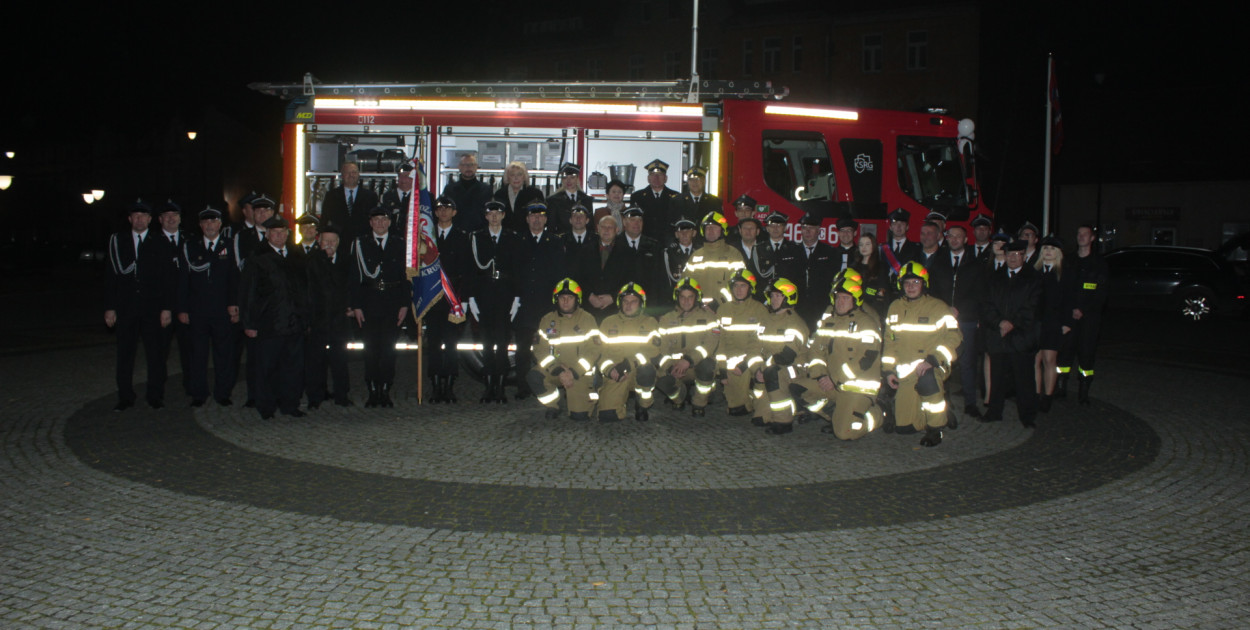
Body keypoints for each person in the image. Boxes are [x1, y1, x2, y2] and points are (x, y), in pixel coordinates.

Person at [791, 276, 883, 440]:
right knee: (795, 387)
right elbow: (815, 351)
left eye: (845, 298)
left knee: (844, 433)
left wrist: (834, 378)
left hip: (857, 388)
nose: (840, 302)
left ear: (855, 301)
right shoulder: (829, 322)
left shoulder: (866, 323)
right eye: (838, 297)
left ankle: (876, 414)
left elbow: (864, 360)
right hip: (831, 383)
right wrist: (820, 375)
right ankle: (835, 414)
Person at [238, 216, 310, 420]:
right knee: (267, 368)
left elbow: (305, 290)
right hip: (269, 324)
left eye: (283, 232)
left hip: (294, 323)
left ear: (288, 234)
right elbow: (248, 293)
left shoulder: (296, 257)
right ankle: (266, 407)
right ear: (267, 234)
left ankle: (290, 404)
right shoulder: (257, 258)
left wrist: (306, 318)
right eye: (275, 232)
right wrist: (249, 323)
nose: (279, 236)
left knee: (293, 368)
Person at [883, 261, 962, 447]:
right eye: (907, 283)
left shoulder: (938, 307)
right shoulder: (894, 307)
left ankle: (936, 429)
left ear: (924, 284)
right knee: (904, 428)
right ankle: (943, 407)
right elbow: (890, 341)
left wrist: (933, 360)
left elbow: (956, 339)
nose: (911, 287)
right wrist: (888, 371)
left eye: (915, 282)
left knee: (927, 380)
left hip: (933, 366)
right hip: (906, 371)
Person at [105, 199, 174, 411]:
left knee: (156, 354)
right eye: (135, 216)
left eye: (143, 216)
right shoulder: (118, 241)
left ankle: (155, 395)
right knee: (125, 354)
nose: (139, 219)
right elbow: (110, 276)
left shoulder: (159, 242)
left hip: (152, 308)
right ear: (129, 219)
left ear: (150, 219)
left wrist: (166, 307)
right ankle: (125, 396)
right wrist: (110, 307)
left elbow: (167, 278)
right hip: (126, 308)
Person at [177, 206, 240, 407]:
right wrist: (183, 308)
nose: (209, 225)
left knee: (224, 354)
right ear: (200, 225)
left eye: (213, 221)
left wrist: (233, 304)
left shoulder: (229, 245)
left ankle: (223, 393)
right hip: (198, 311)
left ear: (220, 224)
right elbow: (183, 280)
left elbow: (234, 278)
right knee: (198, 354)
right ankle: (199, 393)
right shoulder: (190, 246)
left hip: (222, 310)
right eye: (205, 222)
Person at [350, 206, 411, 408]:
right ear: (370, 223)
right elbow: (355, 277)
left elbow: (405, 277)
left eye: (384, 220)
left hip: (392, 302)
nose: (380, 223)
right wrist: (356, 306)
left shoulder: (399, 244)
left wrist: (404, 304)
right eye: (376, 220)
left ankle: (385, 389)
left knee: (388, 351)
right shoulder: (360, 244)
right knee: (370, 350)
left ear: (390, 222)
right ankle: (372, 390)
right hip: (369, 302)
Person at [979, 240, 1042, 428]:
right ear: (1004, 256)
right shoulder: (994, 278)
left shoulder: (1033, 278)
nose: (1013, 258)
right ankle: (994, 411)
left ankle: (1027, 416)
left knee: (1024, 379)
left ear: (1024, 255)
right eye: (1010, 254)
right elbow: (986, 304)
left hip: (1021, 336)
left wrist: (1013, 323)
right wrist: (1000, 322)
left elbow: (1033, 306)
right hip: (998, 335)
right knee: (997, 377)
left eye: (1018, 254)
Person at [926, 225, 986, 418]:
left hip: (966, 319)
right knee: (942, 359)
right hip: (941, 319)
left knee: (967, 362)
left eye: (958, 236)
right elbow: (932, 290)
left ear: (966, 240)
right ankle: (943, 398)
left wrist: (960, 309)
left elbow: (978, 293)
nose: (954, 239)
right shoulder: (938, 262)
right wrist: (944, 308)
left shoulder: (975, 264)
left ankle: (970, 403)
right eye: (951, 236)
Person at [467, 200, 521, 403]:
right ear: (486, 216)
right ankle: (488, 386)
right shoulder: (476, 238)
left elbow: (517, 269)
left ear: (504, 216)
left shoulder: (512, 238)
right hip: (484, 294)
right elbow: (471, 270)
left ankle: (500, 387)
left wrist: (517, 297)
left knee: (502, 341)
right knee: (487, 343)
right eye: (491, 214)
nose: (495, 217)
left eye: (498, 213)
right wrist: (471, 297)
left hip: (505, 294)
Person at [511, 202, 567, 400]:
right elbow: (513, 273)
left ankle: (550, 382)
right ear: (527, 219)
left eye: (541, 216)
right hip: (524, 304)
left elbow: (560, 273)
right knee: (523, 349)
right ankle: (523, 387)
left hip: (546, 305)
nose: (536, 219)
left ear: (545, 219)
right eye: (533, 216)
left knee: (551, 348)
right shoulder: (517, 240)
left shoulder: (555, 241)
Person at [527, 278, 601, 421]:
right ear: (556, 299)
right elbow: (539, 349)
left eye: (570, 297)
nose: (565, 301)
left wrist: (573, 372)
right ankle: (553, 405)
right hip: (555, 369)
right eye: (562, 297)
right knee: (534, 376)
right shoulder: (547, 320)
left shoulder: (587, 319)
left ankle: (591, 390)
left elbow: (594, 351)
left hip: (579, 373)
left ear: (577, 299)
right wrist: (557, 369)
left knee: (579, 416)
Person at [1056, 224, 1109, 405]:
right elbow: (1062, 289)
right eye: (1079, 234)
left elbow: (1101, 293)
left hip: (1090, 318)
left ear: (1092, 238)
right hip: (1069, 316)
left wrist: (1083, 310)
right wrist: (1070, 310)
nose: (1081, 237)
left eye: (1085, 234)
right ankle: (1061, 386)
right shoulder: (1068, 261)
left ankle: (1083, 391)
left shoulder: (1099, 264)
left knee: (1086, 355)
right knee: (1064, 353)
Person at [426, 196, 470, 403]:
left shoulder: (463, 237)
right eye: (440, 208)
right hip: (433, 298)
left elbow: (468, 270)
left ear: (455, 212)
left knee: (452, 344)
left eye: (448, 208)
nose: (443, 212)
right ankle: (436, 386)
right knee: (433, 344)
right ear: (435, 213)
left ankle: (449, 386)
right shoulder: (427, 238)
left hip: (454, 298)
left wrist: (465, 301)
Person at [750, 278, 809, 435]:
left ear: (788, 298)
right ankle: (767, 412)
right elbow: (754, 348)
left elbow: (786, 357)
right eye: (772, 295)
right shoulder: (766, 320)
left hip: (793, 369)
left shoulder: (795, 323)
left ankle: (784, 421)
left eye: (778, 296)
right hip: (769, 367)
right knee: (760, 419)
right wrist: (756, 369)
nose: (773, 299)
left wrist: (763, 368)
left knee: (773, 373)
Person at [304, 222, 354, 408]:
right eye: (326, 241)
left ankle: (341, 395)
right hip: (317, 319)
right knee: (315, 361)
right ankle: (315, 397)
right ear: (319, 241)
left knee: (340, 360)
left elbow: (351, 286)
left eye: (333, 241)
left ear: (338, 242)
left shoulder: (346, 260)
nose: (329, 244)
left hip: (339, 320)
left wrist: (350, 306)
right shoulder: (310, 261)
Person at [596, 283, 661, 422]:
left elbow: (653, 353)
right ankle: (619, 399)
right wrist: (609, 369)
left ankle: (643, 404)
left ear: (641, 303)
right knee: (608, 416)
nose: (628, 305)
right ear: (620, 303)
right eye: (625, 301)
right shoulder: (608, 322)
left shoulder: (650, 322)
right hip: (617, 374)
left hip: (639, 371)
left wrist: (629, 364)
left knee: (648, 371)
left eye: (633, 302)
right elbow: (600, 354)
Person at [655, 278, 719, 415]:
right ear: (676, 298)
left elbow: (710, 345)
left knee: (708, 365)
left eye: (690, 297)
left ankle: (699, 403)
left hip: (698, 365)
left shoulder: (709, 318)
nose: (686, 301)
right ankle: (678, 399)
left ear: (697, 298)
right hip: (675, 368)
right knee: (660, 378)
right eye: (682, 297)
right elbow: (661, 350)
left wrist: (689, 360)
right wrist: (670, 367)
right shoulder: (666, 319)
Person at [715, 269, 770, 417]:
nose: (738, 290)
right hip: (732, 361)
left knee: (760, 374)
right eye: (736, 286)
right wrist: (722, 370)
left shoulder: (760, 310)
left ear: (750, 288)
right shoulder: (723, 309)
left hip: (754, 357)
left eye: (743, 286)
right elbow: (719, 343)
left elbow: (763, 342)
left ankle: (757, 397)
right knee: (736, 410)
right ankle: (746, 398)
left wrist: (745, 364)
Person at [154, 200, 193, 396]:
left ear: (180, 218)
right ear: (160, 219)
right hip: (163, 308)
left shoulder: (190, 240)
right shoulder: (152, 242)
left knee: (189, 351)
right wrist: (164, 307)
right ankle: (157, 392)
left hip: (185, 305)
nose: (171, 219)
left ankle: (191, 388)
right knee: (159, 352)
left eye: (174, 215)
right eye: (166, 216)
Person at [1033, 235, 1072, 413]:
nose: (1048, 252)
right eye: (1045, 249)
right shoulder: (1034, 271)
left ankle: (1048, 396)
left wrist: (1066, 322)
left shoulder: (1064, 273)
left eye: (1051, 249)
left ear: (1058, 253)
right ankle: (1035, 394)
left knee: (1050, 360)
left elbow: (1069, 299)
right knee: (1035, 359)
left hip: (1054, 322)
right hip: (1035, 322)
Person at [576, 215, 635, 321]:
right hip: (588, 309)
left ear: (617, 230)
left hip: (616, 309)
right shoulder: (584, 251)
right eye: (603, 227)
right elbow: (578, 276)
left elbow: (630, 279)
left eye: (610, 227)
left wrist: (613, 297)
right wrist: (589, 296)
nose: (606, 230)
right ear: (597, 228)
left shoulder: (628, 253)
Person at [683, 212, 744, 306]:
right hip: (699, 310)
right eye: (707, 228)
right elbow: (685, 285)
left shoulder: (733, 254)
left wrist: (721, 302)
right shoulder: (695, 256)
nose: (710, 230)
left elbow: (742, 285)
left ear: (723, 230)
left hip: (727, 308)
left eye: (715, 227)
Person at [794, 213, 837, 331]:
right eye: (804, 228)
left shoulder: (830, 252)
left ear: (819, 231)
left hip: (821, 306)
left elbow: (834, 281)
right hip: (797, 306)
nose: (807, 231)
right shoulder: (792, 251)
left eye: (812, 228)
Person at [618, 206, 666, 308]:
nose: (637, 223)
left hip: (648, 304)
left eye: (640, 220)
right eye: (632, 220)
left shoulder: (654, 246)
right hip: (621, 304)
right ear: (624, 222)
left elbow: (660, 279)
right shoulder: (615, 245)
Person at [321, 161, 379, 241]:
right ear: (342, 175)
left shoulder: (370, 196)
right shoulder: (331, 196)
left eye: (354, 172)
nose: (351, 175)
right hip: (338, 241)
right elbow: (324, 219)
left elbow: (375, 220)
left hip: (363, 241)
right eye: (347, 172)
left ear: (358, 175)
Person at [630, 159, 683, 243]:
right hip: (645, 244)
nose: (656, 178)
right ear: (648, 178)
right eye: (653, 174)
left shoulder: (676, 197)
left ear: (665, 178)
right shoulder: (637, 197)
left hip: (668, 243)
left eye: (660, 174)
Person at [728, 216, 775, 298]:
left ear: (758, 231)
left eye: (752, 228)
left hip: (761, 296)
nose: (748, 231)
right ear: (740, 230)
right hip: (737, 295)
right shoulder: (730, 249)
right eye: (745, 228)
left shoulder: (767, 249)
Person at [445, 154, 493, 234]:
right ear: (459, 167)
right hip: (456, 234)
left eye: (471, 164)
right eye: (465, 165)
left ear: (476, 167)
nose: (468, 167)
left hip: (480, 234)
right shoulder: (450, 189)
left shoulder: (486, 189)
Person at [493, 161, 545, 233]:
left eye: (519, 174)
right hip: (505, 237)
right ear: (508, 177)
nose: (516, 178)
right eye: (512, 175)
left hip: (527, 237)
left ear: (524, 177)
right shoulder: (499, 194)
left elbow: (541, 219)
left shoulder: (535, 194)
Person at [545, 163, 595, 236]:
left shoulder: (586, 200)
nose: (568, 181)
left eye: (572, 177)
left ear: (577, 178)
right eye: (565, 177)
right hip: (561, 240)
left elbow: (590, 226)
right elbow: (551, 227)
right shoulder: (554, 200)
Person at [851, 233, 891, 316]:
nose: (864, 247)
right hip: (856, 308)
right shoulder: (853, 267)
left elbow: (882, 290)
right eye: (861, 244)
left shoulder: (881, 266)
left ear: (873, 246)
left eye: (867, 244)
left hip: (874, 307)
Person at [762, 211, 804, 286]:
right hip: (764, 294)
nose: (775, 228)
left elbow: (800, 277)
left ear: (785, 228)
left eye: (779, 225)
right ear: (767, 228)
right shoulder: (758, 249)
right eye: (772, 225)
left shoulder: (795, 249)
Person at [662, 218, 701, 293]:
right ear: (676, 234)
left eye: (688, 231)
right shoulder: (669, 253)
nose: (684, 234)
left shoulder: (700, 252)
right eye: (681, 231)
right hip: (676, 293)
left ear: (694, 233)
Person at [380, 162, 417, 237]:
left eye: (406, 176)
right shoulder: (387, 196)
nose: (403, 180)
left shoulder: (419, 197)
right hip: (392, 240)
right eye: (400, 176)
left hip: (412, 239)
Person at [881, 208, 921, 273]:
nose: (898, 227)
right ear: (890, 227)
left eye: (902, 223)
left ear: (907, 227)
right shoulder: (883, 248)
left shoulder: (916, 248)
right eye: (895, 223)